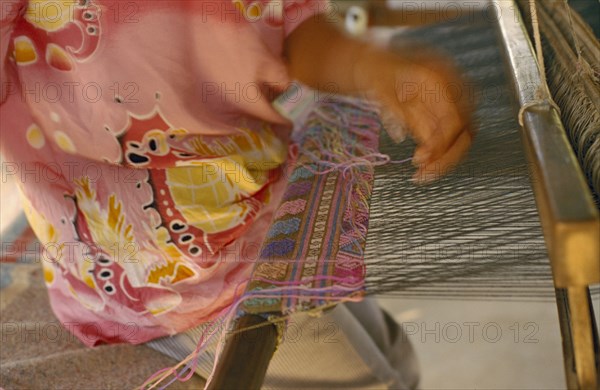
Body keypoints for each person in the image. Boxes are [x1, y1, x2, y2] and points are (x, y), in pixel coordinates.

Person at [0, 0, 473, 387]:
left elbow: (289, 24)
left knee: (389, 354)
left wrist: (373, 68)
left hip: (274, 211)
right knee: (379, 380)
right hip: (160, 278)